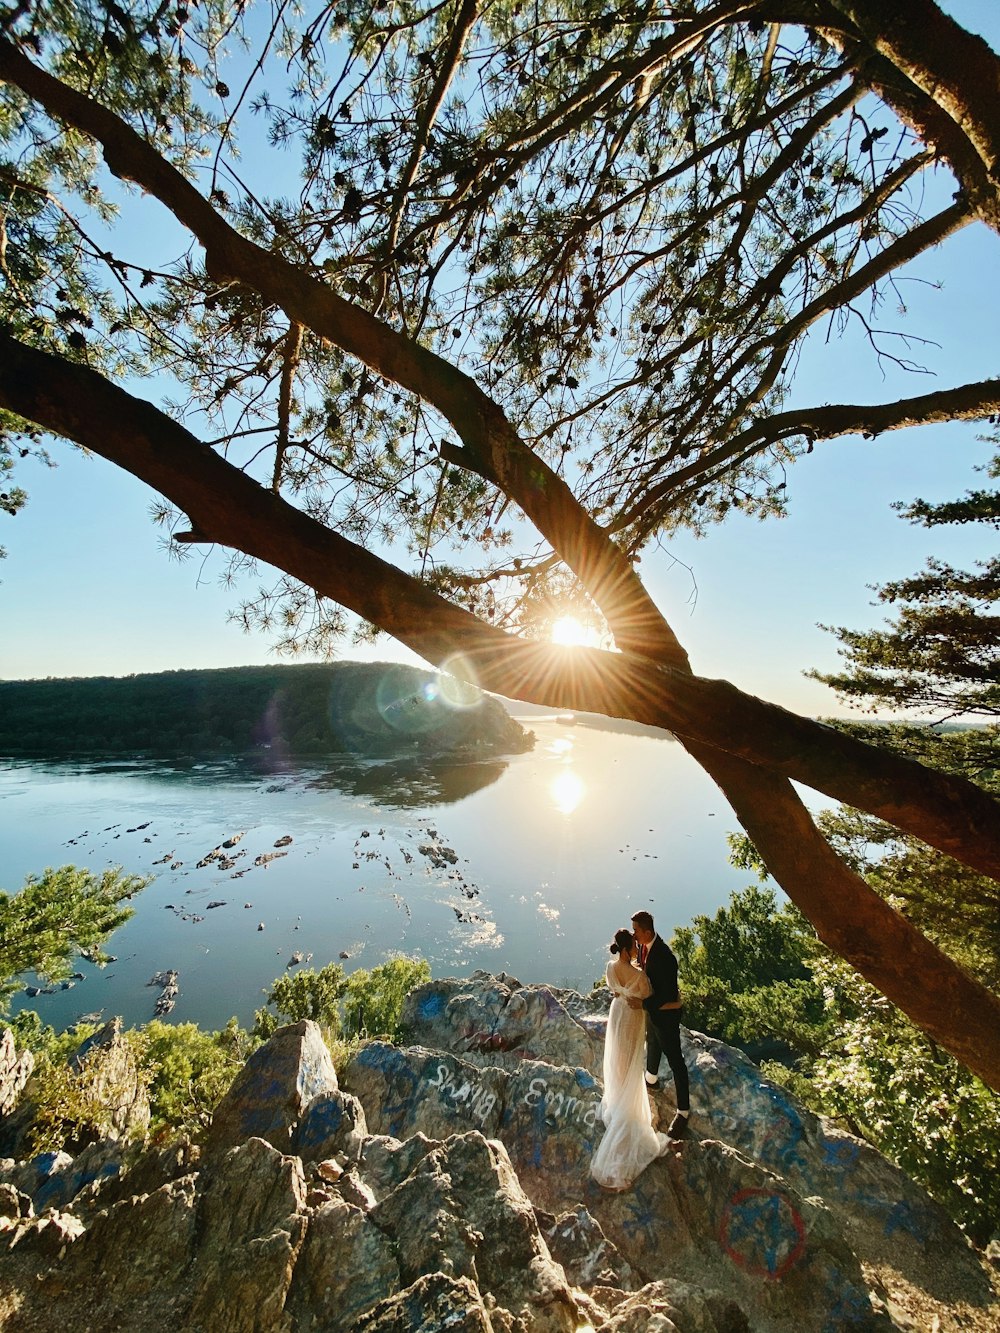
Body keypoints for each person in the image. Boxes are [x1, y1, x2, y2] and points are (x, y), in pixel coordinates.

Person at [590, 928, 669, 1191]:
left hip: (617, 1015)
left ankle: (618, 1098)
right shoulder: (639, 977)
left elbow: (614, 990)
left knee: (618, 1061)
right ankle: (627, 1111)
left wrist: (623, 994)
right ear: (627, 950)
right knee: (632, 1063)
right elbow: (648, 995)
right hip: (633, 1020)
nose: (637, 949)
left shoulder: (611, 968)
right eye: (634, 946)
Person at [630, 909, 691, 1138]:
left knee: (676, 1060)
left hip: (666, 1017)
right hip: (655, 1014)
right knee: (652, 1043)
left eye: (636, 931)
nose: (633, 935)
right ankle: (651, 1079)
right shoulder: (644, 947)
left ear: (646, 931)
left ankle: (683, 1111)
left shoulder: (665, 957)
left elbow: (666, 995)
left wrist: (641, 1004)